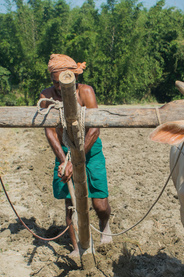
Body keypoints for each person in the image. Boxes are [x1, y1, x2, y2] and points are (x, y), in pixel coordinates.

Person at [40, 54, 112, 256]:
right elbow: (49, 131)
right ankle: (78, 248)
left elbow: (95, 129)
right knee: (70, 202)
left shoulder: (86, 92)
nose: (57, 88)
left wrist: (76, 158)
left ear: (73, 79)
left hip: (91, 149)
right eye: (54, 83)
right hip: (63, 151)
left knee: (100, 204)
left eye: (62, 83)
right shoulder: (46, 96)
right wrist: (65, 161)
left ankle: (105, 224)